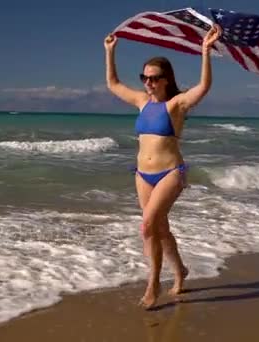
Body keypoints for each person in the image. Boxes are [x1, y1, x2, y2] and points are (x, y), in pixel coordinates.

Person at [103, 24, 222, 309]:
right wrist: (110, 52)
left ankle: (153, 284)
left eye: (154, 78)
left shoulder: (176, 105)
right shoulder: (142, 102)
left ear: (166, 80)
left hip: (170, 173)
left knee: (147, 227)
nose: (148, 83)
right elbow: (113, 85)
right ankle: (180, 270)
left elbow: (203, 87)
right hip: (142, 175)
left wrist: (204, 51)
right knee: (160, 229)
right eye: (144, 77)